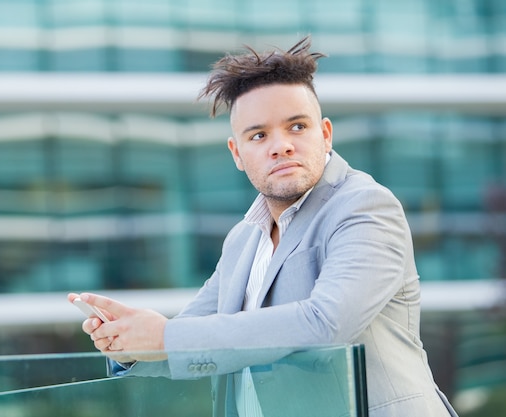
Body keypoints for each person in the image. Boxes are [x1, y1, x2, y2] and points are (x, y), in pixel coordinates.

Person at [68, 36, 458, 417]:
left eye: (297, 127)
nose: (281, 145)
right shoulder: (243, 238)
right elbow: (196, 336)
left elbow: (327, 323)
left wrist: (164, 337)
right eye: (259, 135)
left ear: (325, 134)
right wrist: (131, 343)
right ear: (237, 153)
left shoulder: (365, 207)